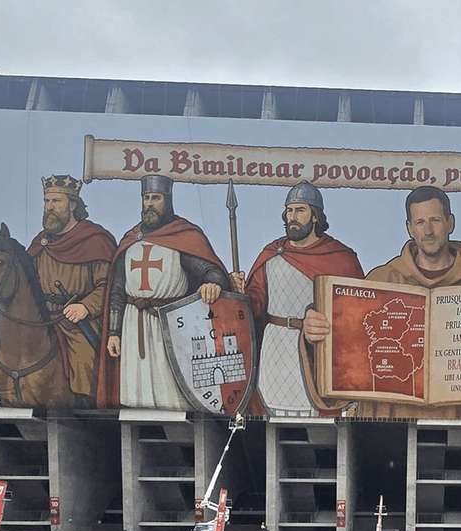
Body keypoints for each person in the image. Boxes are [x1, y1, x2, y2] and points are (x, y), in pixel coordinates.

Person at [303, 185, 461, 418]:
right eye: (420, 222)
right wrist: (318, 336)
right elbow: (344, 367)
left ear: (450, 223)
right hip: (390, 426)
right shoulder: (380, 282)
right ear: (409, 227)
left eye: (435, 220)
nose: (428, 230)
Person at [230, 181, 364, 417]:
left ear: (315, 216)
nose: (292, 216)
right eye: (289, 210)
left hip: (316, 351)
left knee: (315, 416)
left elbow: (357, 314)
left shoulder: (339, 258)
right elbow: (256, 305)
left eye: (300, 210)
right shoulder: (271, 254)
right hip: (275, 346)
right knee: (272, 412)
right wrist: (241, 294)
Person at [97, 175, 229, 410]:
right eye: (146, 198)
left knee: (173, 393)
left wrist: (213, 283)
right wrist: (114, 332)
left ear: (167, 201)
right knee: (134, 393)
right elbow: (117, 290)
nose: (149, 203)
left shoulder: (184, 237)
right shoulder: (130, 239)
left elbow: (211, 271)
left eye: (155, 198)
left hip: (170, 324)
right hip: (132, 324)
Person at [27, 175, 116, 407]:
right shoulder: (41, 243)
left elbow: (108, 284)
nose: (49, 208)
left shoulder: (94, 240)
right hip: (44, 320)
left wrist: (85, 306)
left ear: (73, 204)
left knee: (84, 359)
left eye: (56, 201)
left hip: (79, 322)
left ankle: (86, 409)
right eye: (47, 202)